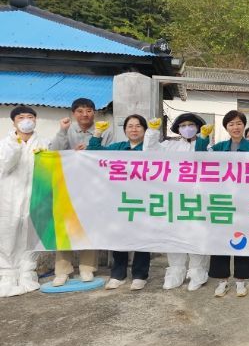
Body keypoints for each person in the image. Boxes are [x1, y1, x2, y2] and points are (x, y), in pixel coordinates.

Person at [144, 112, 213, 291]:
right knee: (174, 235)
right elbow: (150, 152)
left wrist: (204, 139)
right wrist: (152, 132)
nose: (187, 128)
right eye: (183, 125)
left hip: (198, 198)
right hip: (175, 198)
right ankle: (176, 271)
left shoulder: (207, 145)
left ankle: (198, 272)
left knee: (197, 235)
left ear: (198, 128)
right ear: (178, 129)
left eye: (191, 125)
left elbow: (207, 162)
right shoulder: (170, 146)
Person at [51, 97, 112, 287]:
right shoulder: (66, 130)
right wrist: (68, 144)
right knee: (65, 227)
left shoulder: (106, 131)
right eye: (80, 111)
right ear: (73, 114)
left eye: (89, 110)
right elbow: (53, 152)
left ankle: (87, 268)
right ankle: (62, 270)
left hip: (93, 186)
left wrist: (92, 151)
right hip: (68, 185)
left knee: (89, 226)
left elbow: (112, 155)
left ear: (94, 112)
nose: (84, 114)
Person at [87, 114, 151, 291]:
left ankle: (140, 275)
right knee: (119, 236)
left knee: (142, 236)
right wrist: (97, 134)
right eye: (130, 126)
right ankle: (118, 274)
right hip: (119, 198)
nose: (134, 129)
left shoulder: (149, 148)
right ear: (125, 130)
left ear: (145, 130)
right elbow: (94, 152)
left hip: (142, 198)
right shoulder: (118, 147)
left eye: (138, 126)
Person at [0, 106, 49, 297]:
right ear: (14, 122)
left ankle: (28, 271)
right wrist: (16, 143)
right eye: (21, 117)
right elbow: (5, 164)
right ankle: (7, 274)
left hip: (35, 195)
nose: (26, 120)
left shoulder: (44, 142)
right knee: (8, 233)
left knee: (32, 232)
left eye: (30, 116)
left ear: (35, 120)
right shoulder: (5, 143)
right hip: (10, 196)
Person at [209, 111, 249, 298]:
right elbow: (200, 156)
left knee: (241, 239)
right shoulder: (219, 147)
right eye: (231, 124)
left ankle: (240, 281)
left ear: (244, 125)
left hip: (244, 200)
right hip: (222, 200)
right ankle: (222, 281)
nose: (235, 127)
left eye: (238, 123)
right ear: (226, 128)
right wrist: (203, 137)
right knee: (220, 239)